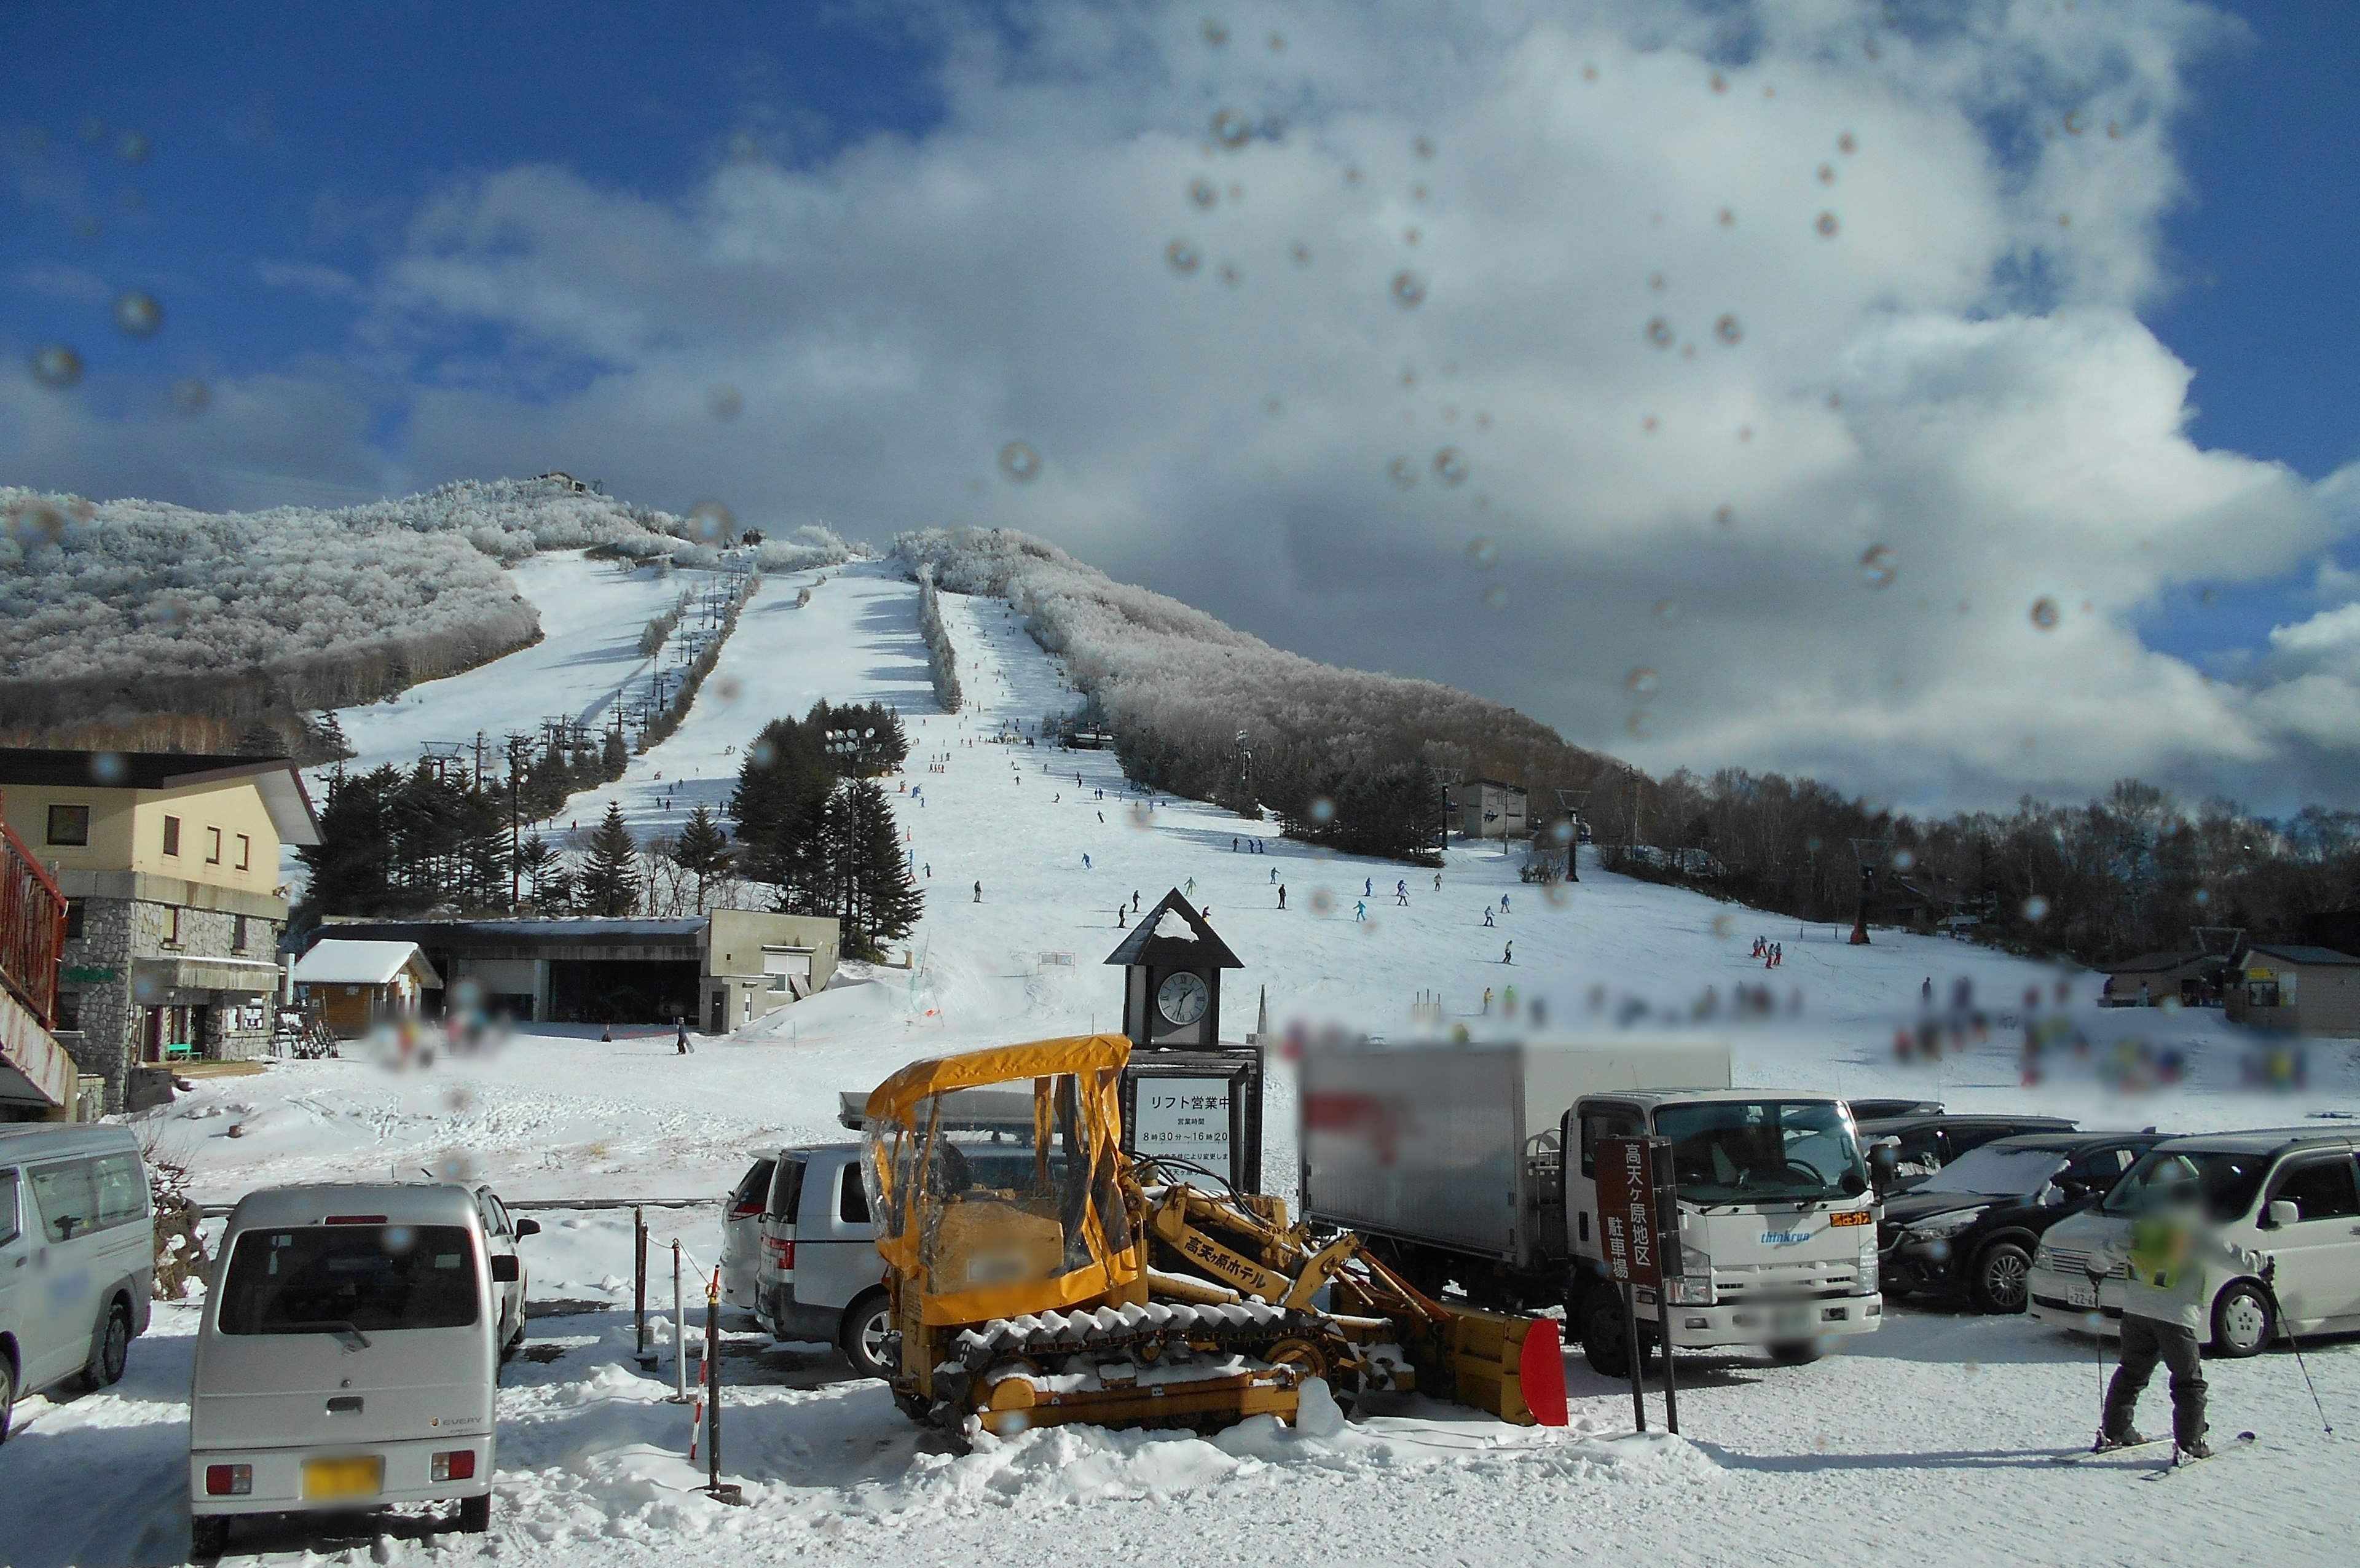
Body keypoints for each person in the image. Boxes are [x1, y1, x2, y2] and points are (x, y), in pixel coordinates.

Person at [2093, 1163, 2270, 1460]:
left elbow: (2108, 1250)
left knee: (2131, 1373)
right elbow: (2230, 1254)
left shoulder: (2142, 1225)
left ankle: (2116, 1430)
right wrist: (2261, 1265)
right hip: (2176, 1317)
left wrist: (2095, 1269)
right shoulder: (2195, 1231)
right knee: (2188, 1382)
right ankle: (2191, 1443)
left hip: (2136, 1313)